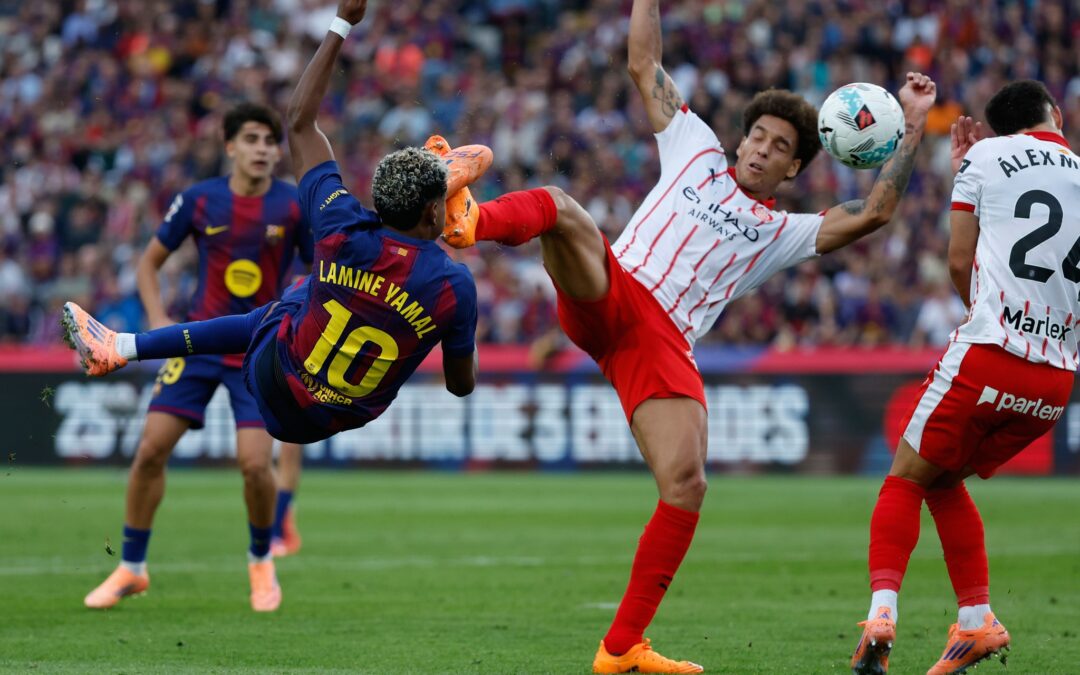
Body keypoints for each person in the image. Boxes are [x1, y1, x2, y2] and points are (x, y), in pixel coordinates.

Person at [438, 0, 936, 670]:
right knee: (559, 206)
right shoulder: (694, 144)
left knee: (687, 485)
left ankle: (621, 647)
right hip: (614, 290)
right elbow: (643, 61)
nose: (762, 149)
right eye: (758, 136)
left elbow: (874, 212)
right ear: (742, 138)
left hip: (662, 340)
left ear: (793, 169)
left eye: (780, 147)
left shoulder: (782, 231)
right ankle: (469, 220)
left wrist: (913, 126)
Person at [63, 0, 481, 474]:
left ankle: (122, 347)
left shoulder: (341, 223)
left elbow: (299, 121)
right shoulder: (456, 286)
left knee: (295, 299)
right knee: (307, 295)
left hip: (275, 380)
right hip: (339, 416)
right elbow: (461, 385)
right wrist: (452, 322)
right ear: (433, 211)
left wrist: (343, 23)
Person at [849, 80, 1078, 675]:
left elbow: (958, 260)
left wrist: (965, 172)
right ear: (1055, 115)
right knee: (943, 479)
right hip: (1055, 382)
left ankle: (880, 615)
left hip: (990, 354)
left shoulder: (985, 155)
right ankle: (976, 622)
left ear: (1002, 129)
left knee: (904, 478)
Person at [82, 102, 313, 613]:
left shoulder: (294, 205)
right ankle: (131, 567)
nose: (262, 149)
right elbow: (149, 264)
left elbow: (320, 271)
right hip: (197, 344)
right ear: (230, 146)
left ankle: (261, 560)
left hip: (257, 349)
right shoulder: (199, 200)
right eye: (251, 139)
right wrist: (157, 318)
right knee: (150, 450)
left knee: (254, 465)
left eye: (270, 141)